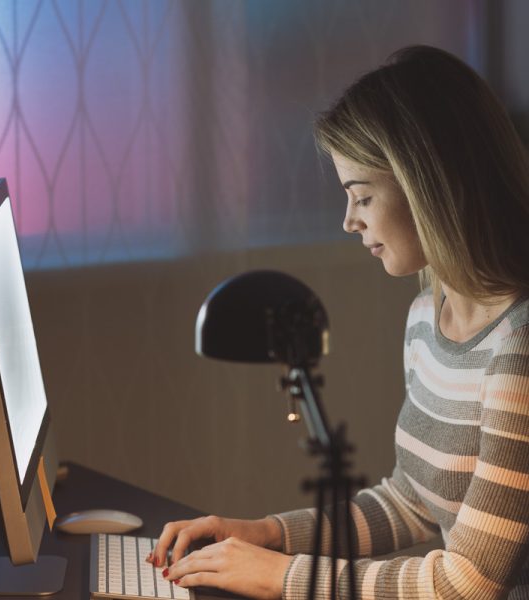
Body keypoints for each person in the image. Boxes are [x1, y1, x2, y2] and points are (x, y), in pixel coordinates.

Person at [147, 45, 529, 599]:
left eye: (363, 197)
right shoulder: (428, 316)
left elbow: (467, 584)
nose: (349, 221)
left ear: (426, 187)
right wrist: (268, 535)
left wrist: (282, 577)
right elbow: (411, 501)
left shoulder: (517, 351)